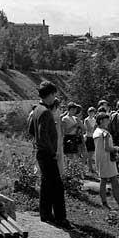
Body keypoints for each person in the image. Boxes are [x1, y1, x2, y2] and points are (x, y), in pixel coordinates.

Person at [28, 81, 70, 228]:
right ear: (50, 94)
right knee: (57, 186)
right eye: (54, 94)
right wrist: (52, 151)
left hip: (41, 152)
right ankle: (60, 218)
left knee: (46, 185)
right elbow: (42, 136)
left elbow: (31, 131)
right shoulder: (45, 112)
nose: (55, 98)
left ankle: (45, 214)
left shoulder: (36, 109)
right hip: (47, 153)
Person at [93, 112, 119, 211]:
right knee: (114, 182)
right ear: (101, 121)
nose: (109, 121)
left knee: (103, 180)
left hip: (100, 158)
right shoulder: (104, 133)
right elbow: (107, 148)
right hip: (107, 160)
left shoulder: (96, 131)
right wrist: (116, 148)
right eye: (107, 119)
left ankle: (105, 202)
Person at [50, 98, 65, 177]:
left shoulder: (57, 112)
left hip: (58, 137)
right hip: (55, 138)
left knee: (58, 157)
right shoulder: (51, 113)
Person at [84, 107, 97, 174]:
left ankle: (91, 169)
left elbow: (94, 129)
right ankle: (89, 168)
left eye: (93, 112)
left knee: (92, 155)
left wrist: (94, 128)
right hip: (88, 138)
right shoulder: (86, 120)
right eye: (90, 112)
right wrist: (94, 128)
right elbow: (90, 129)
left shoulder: (94, 119)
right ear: (88, 112)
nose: (91, 113)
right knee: (88, 155)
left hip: (93, 138)